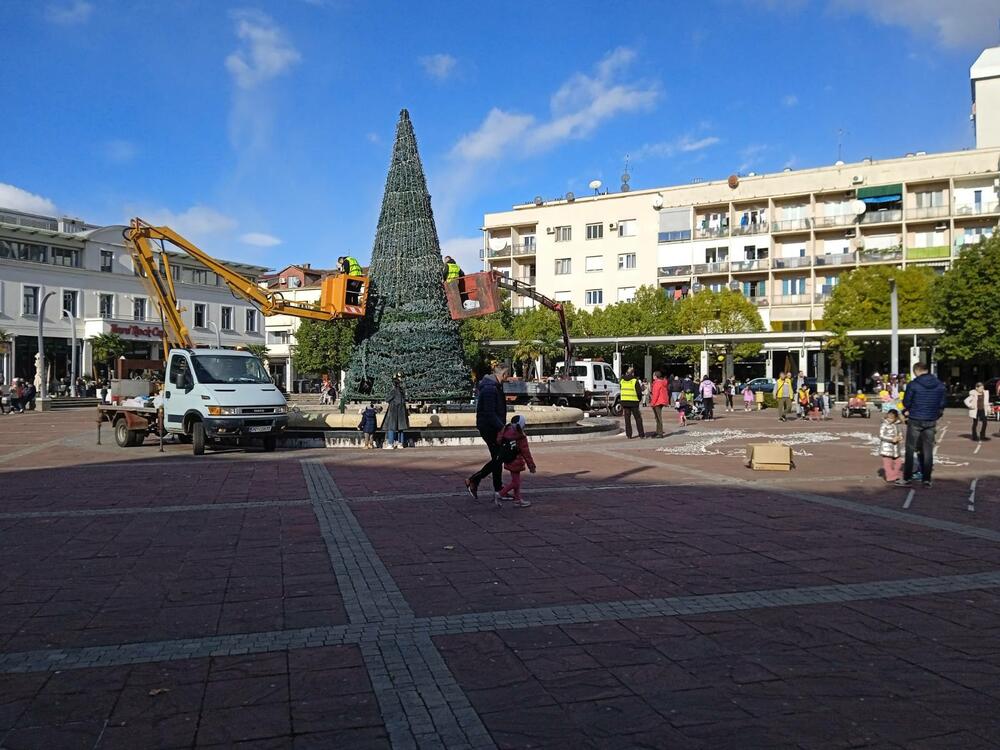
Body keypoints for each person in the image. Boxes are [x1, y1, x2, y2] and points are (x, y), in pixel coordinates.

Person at [466, 364, 509, 507]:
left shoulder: (493, 386)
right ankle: (474, 479)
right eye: (507, 374)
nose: (507, 377)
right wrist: (502, 427)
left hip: (492, 426)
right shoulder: (490, 388)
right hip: (489, 428)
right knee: (499, 457)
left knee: (498, 457)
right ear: (503, 374)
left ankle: (498, 489)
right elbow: (490, 413)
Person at [899, 362, 947, 488]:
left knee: (910, 449)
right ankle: (927, 479)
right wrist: (936, 415)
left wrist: (908, 410)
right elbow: (942, 404)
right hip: (931, 419)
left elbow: (906, 402)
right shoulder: (940, 385)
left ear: (916, 371)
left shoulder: (913, 384)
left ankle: (907, 478)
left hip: (915, 418)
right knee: (928, 450)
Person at [497, 415, 536, 509]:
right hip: (516, 460)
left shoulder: (506, 430)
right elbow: (526, 452)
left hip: (507, 459)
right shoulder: (520, 436)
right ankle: (500, 494)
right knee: (516, 482)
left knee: (516, 480)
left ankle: (517, 500)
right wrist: (531, 465)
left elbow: (498, 440)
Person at [381, 373, 409, 449]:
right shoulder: (402, 392)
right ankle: (400, 444)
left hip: (393, 411)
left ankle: (390, 443)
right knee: (401, 428)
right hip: (401, 412)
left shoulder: (393, 391)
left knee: (391, 428)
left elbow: (387, 399)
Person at [619, 367, 646, 438]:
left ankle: (629, 435)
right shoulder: (634, 381)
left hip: (625, 402)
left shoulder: (622, 381)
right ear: (633, 373)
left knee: (627, 419)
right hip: (634, 402)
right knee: (638, 418)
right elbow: (639, 392)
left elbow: (621, 389)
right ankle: (641, 434)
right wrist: (639, 400)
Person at [879, 409, 904, 483]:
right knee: (888, 464)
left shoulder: (897, 425)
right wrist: (891, 439)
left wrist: (899, 438)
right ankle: (890, 477)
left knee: (899, 463)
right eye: (888, 417)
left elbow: (900, 434)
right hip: (886, 448)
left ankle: (895, 474)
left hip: (896, 448)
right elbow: (881, 435)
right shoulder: (884, 424)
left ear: (895, 418)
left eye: (892, 418)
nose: (890, 419)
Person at [650, 370, 669, 438]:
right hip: (661, 401)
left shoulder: (657, 383)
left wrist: (652, 403)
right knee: (658, 417)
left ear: (655, 376)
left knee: (658, 418)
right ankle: (658, 431)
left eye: (653, 375)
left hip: (657, 402)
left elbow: (655, 394)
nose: (652, 376)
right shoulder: (662, 382)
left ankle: (660, 433)